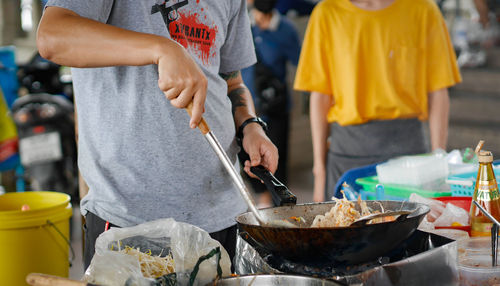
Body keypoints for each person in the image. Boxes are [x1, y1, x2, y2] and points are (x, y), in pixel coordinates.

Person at [37, 0, 278, 269]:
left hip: (223, 213)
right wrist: (160, 48)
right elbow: (52, 36)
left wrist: (250, 126)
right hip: (129, 222)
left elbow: (232, 79)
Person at [294, 0, 462, 202]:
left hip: (409, 158)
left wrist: (438, 159)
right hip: (347, 155)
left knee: (409, 231)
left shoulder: (423, 9)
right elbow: (320, 96)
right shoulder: (327, 13)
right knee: (346, 229)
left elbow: (438, 91)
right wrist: (319, 172)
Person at [241, 0, 301, 207]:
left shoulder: (285, 29)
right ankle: (263, 201)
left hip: (275, 109)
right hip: (245, 109)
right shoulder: (242, 24)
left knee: (277, 157)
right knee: (248, 158)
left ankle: (278, 203)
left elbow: (301, 63)